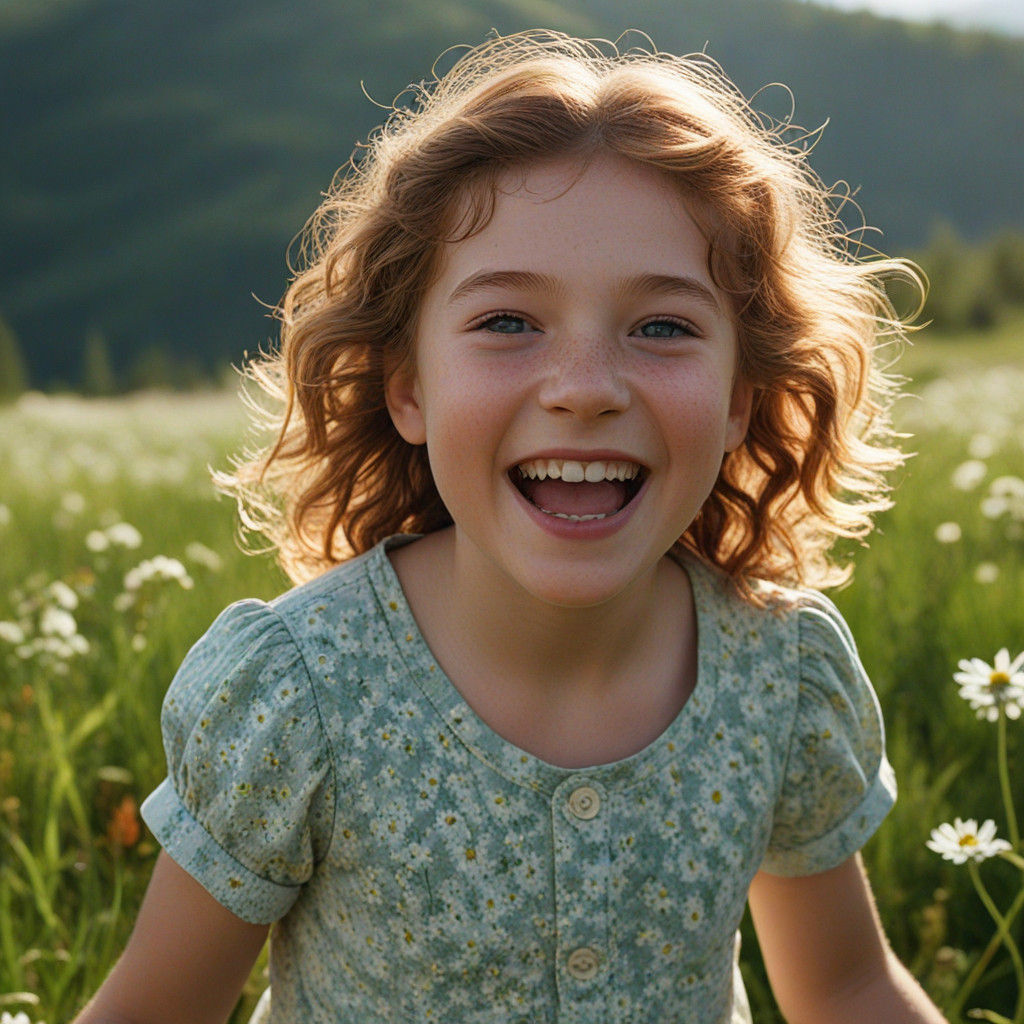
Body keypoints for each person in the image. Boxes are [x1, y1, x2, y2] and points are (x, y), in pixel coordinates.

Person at [73, 29, 948, 1024]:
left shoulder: (776, 676)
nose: (583, 389)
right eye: (505, 323)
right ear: (407, 386)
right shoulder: (303, 692)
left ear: (741, 398)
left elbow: (845, 988)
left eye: (662, 326)